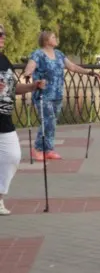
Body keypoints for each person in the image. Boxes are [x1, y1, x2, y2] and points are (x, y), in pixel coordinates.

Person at [22, 30, 99, 161]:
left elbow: (73, 67)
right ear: (46, 40)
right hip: (43, 94)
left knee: (52, 122)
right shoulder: (38, 54)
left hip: (57, 94)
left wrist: (89, 72)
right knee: (48, 121)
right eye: (53, 37)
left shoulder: (59, 54)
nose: (56, 38)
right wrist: (28, 74)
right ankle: (37, 149)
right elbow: (30, 66)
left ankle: (49, 150)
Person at [0, 24, 47, 216]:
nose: (3, 36)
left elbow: (11, 88)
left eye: (3, 33)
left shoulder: (4, 60)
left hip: (4, 118)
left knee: (12, 156)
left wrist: (32, 87)